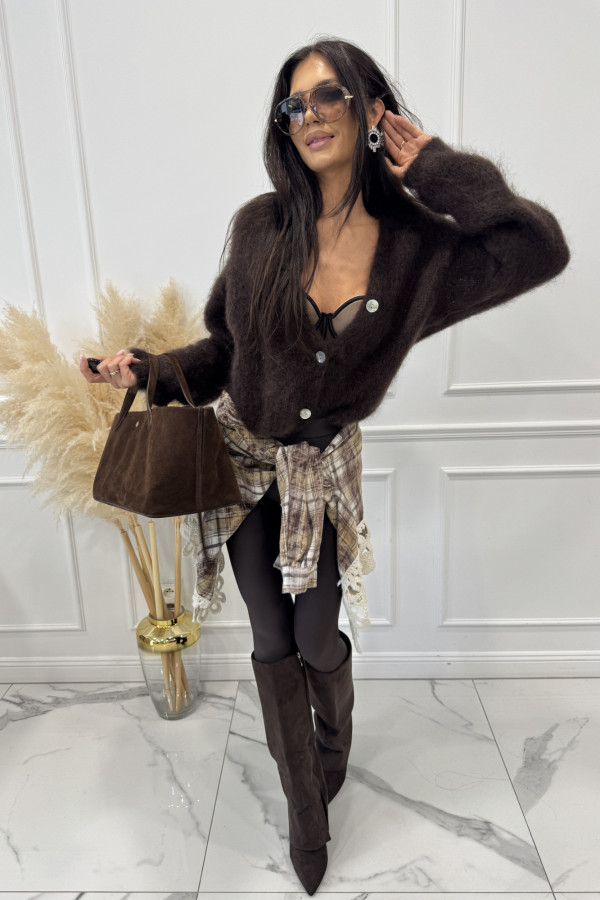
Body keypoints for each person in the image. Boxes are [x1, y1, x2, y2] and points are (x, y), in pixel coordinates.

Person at [81, 37, 569, 895]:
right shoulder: (260, 227)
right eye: (293, 104)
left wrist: (440, 170)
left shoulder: (418, 247)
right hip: (241, 464)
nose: (308, 116)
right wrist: (150, 372)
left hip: (323, 476)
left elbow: (537, 250)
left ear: (372, 108)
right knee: (272, 640)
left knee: (316, 635)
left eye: (328, 96)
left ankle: (331, 744)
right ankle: (307, 818)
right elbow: (224, 352)